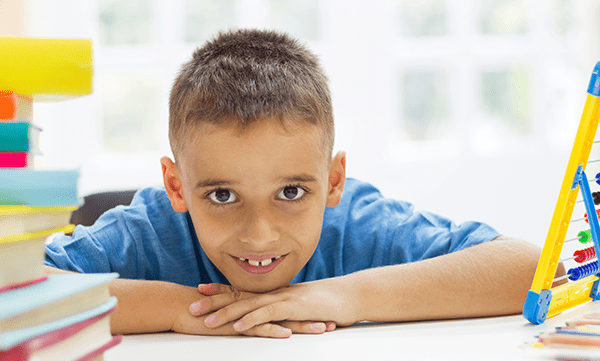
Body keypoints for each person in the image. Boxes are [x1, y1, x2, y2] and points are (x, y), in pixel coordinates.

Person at [45, 28, 548, 338]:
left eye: (290, 192)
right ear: (176, 188)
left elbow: (527, 267)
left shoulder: (356, 223)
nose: (259, 234)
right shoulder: (147, 232)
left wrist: (348, 297)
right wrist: (177, 308)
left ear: (333, 181)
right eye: (222, 195)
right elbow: (13, 293)